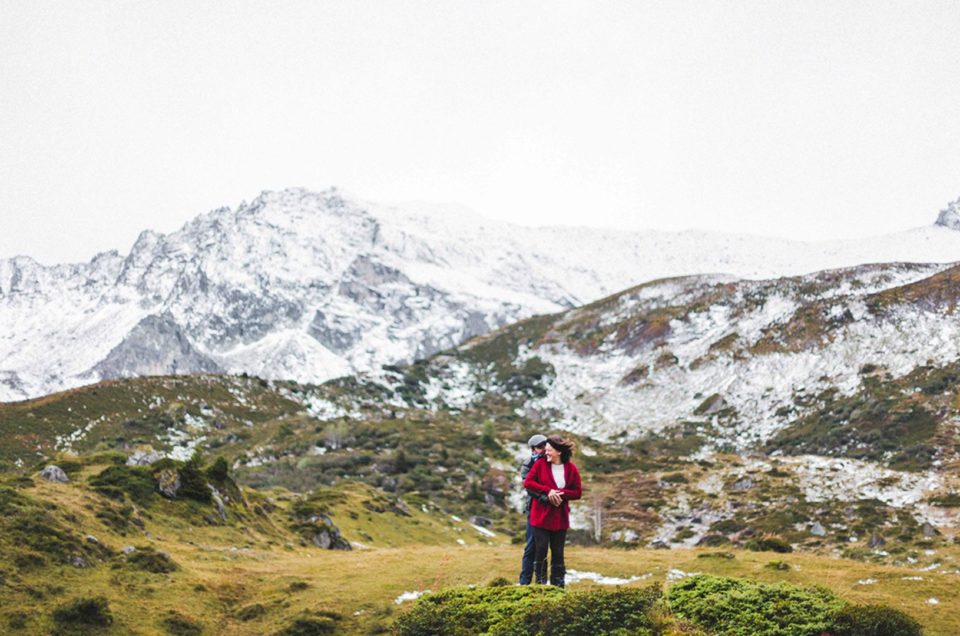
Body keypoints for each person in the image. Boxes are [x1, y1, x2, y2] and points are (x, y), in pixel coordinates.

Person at [523, 436, 582, 587]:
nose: (546, 453)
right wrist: (548, 491)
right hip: (540, 517)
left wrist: (560, 494)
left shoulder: (571, 469)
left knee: (558, 552)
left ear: (559, 452)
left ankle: (558, 586)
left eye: (549, 450)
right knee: (540, 550)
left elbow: (577, 492)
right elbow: (528, 483)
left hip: (560, 518)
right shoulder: (540, 465)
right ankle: (540, 585)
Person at [518, 434, 548, 584]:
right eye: (540, 447)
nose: (543, 449)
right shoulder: (528, 464)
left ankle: (542, 582)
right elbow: (528, 485)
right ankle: (524, 582)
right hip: (534, 509)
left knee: (544, 546)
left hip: (550, 510)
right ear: (533, 449)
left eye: (545, 446)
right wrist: (543, 497)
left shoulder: (553, 461)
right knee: (531, 546)